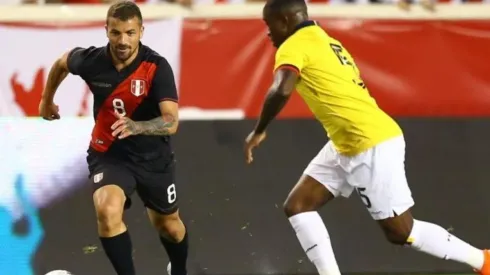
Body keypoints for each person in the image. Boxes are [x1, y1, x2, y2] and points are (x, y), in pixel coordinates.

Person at [243, 0, 490, 274]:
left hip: (368, 142)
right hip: (347, 141)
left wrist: (260, 129)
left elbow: (281, 88)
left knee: (401, 231)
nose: (268, 33)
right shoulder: (326, 40)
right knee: (298, 205)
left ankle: (483, 261)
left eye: (269, 25)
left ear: (285, 21)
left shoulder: (294, 44)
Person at [38, 1, 188, 275]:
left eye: (130, 33)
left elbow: (171, 120)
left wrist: (138, 126)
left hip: (153, 158)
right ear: (106, 30)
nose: (123, 40)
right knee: (107, 212)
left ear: (141, 31)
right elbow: (62, 63)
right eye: (116, 33)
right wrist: (47, 100)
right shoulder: (92, 60)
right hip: (109, 153)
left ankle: (178, 269)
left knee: (170, 227)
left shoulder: (156, 67)